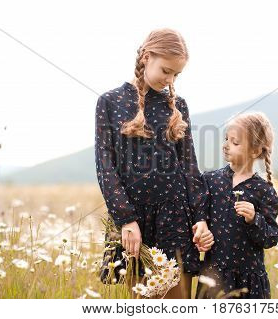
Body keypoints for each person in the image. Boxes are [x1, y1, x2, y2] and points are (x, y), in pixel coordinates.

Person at [95, 28, 214, 298]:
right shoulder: (110, 102)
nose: (170, 80)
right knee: (142, 302)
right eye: (166, 70)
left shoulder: (178, 106)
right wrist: (126, 219)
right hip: (135, 223)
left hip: (176, 220)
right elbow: (105, 167)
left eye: (176, 74)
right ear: (147, 57)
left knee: (177, 302)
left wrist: (201, 218)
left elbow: (189, 167)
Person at [197, 111, 278, 299]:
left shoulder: (263, 190)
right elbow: (200, 217)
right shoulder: (210, 180)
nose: (226, 146)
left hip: (248, 279)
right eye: (226, 139)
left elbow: (270, 238)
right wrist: (201, 237)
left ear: (255, 151)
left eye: (235, 142)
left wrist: (254, 219)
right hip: (214, 275)